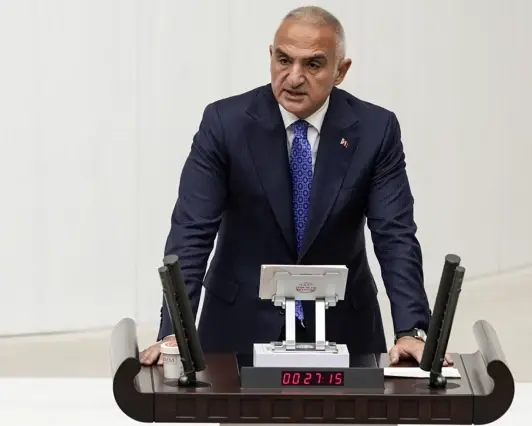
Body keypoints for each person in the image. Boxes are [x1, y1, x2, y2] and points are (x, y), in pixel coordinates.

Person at [140, 5, 451, 367]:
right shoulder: (225, 124)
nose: (294, 77)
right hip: (237, 328)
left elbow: (395, 235)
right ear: (271, 56)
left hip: (345, 329)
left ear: (340, 71)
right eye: (284, 60)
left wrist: (412, 329)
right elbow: (191, 231)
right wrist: (174, 331)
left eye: (313, 64)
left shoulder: (375, 130)